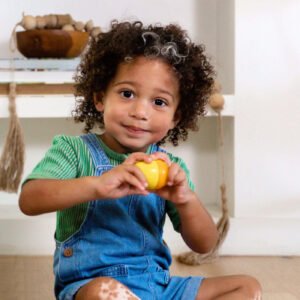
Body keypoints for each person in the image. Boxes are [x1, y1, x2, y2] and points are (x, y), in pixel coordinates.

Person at [19, 20, 262, 300]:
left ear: (176, 117)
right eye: (127, 94)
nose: (140, 111)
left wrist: (186, 200)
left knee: (246, 287)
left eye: (159, 102)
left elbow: (204, 244)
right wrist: (97, 185)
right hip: (92, 286)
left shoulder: (171, 169)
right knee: (103, 292)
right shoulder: (74, 151)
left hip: (158, 287)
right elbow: (30, 200)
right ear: (100, 98)